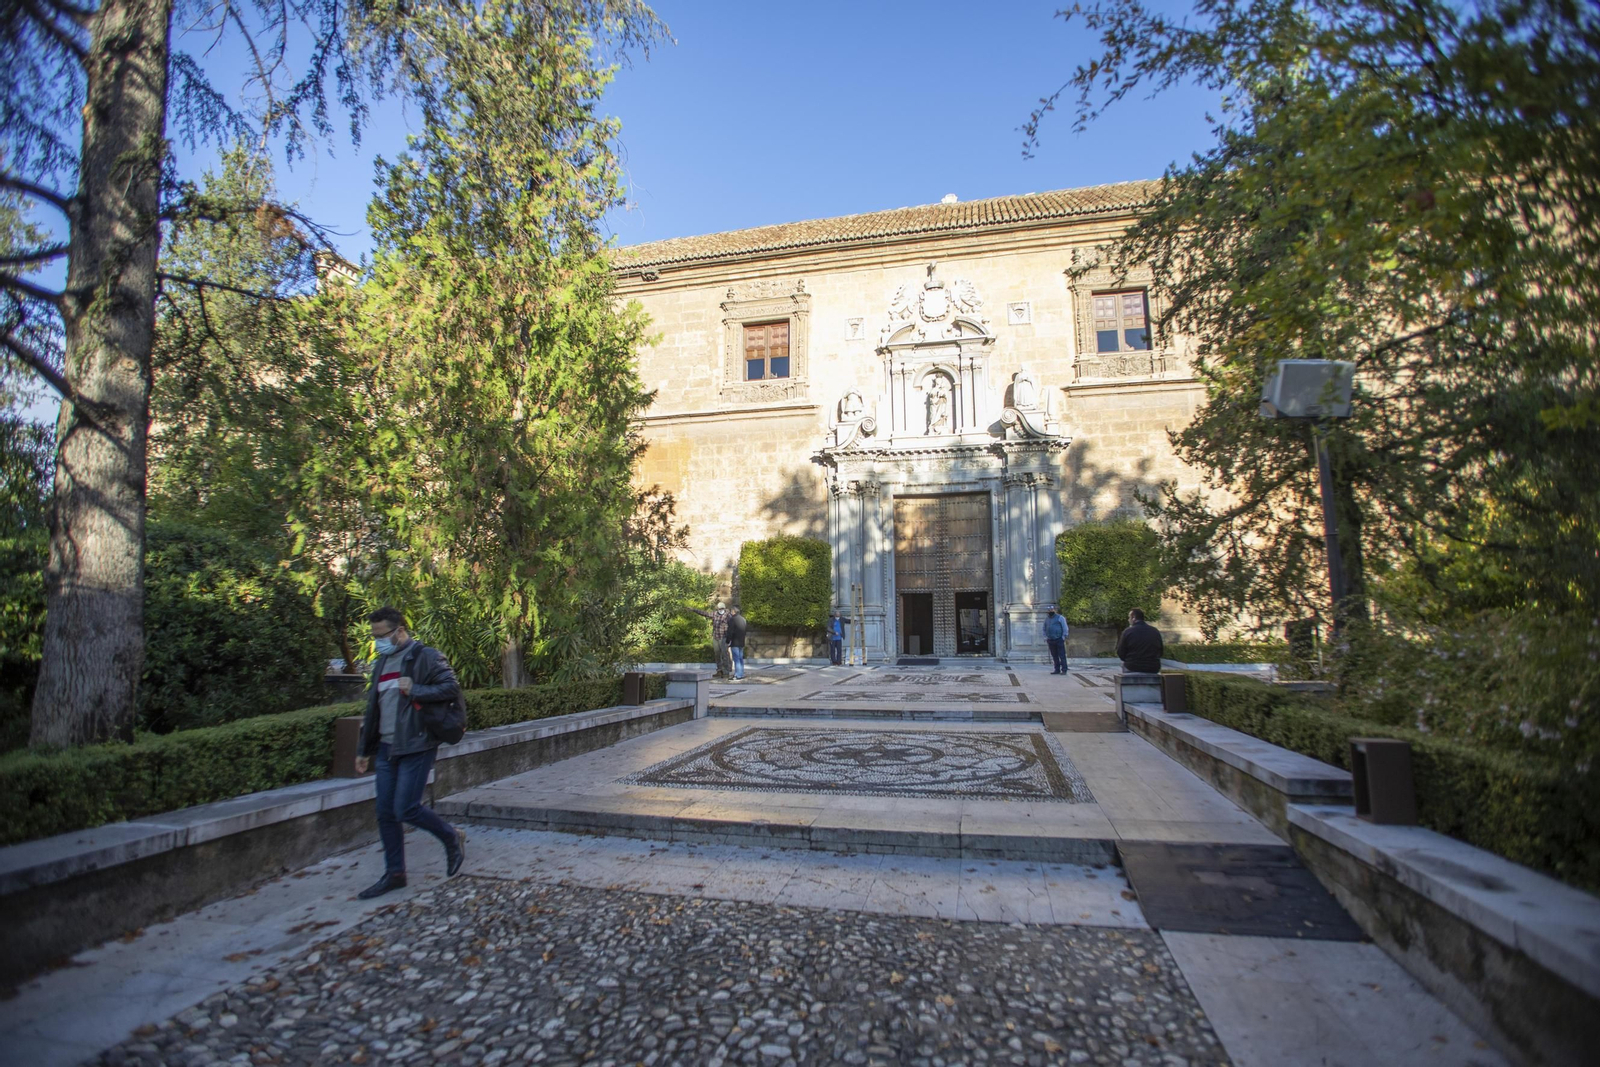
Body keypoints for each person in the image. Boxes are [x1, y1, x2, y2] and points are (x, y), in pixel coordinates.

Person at [352, 607, 467, 899]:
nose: (378, 641)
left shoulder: (425, 656)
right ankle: (395, 873)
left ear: (400, 631)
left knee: (406, 808)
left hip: (416, 743)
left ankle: (450, 836)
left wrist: (415, 689)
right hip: (387, 748)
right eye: (374, 636)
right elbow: (373, 709)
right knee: (385, 813)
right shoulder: (381, 663)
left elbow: (450, 688)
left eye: (382, 635)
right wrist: (364, 749)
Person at [691, 602, 733, 678]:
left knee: (724, 654)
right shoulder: (715, 614)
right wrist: (694, 610)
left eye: (722, 608)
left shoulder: (728, 615)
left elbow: (732, 626)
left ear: (724, 608)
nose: (720, 610)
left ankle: (726, 672)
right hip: (716, 637)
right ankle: (719, 670)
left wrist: (730, 637)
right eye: (719, 608)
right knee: (717, 654)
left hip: (723, 637)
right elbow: (704, 613)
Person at [1117, 608, 1165, 673]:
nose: (1128, 620)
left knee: (1124, 667)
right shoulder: (1155, 631)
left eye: (1129, 617)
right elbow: (1160, 651)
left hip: (1132, 666)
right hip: (1153, 667)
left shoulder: (1127, 632)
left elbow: (1121, 652)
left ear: (1133, 618)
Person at [1043, 607, 1069, 674]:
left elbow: (1065, 627)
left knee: (1062, 655)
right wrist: (1045, 637)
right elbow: (1044, 628)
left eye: (1052, 609)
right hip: (1050, 639)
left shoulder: (1060, 617)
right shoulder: (1047, 619)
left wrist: (1064, 636)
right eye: (1049, 610)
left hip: (1059, 638)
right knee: (1054, 655)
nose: (1050, 611)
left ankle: (1064, 669)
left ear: (1054, 610)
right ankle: (1057, 669)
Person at [726, 606, 749, 680]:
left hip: (735, 642)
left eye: (731, 611)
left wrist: (727, 640)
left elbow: (730, 632)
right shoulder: (743, 619)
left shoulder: (732, 620)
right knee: (740, 658)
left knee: (736, 659)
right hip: (741, 641)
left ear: (733, 611)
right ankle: (741, 673)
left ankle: (737, 675)